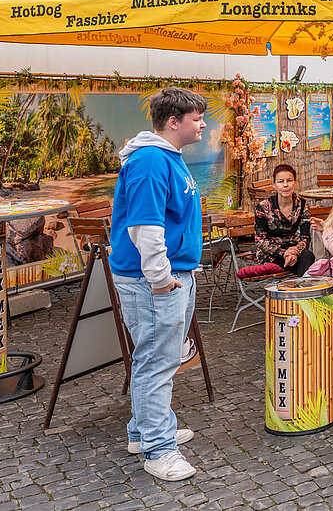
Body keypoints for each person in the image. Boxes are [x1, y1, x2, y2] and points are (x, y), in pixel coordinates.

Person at [109, 87, 208, 482]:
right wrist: (163, 279)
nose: (203, 124)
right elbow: (145, 227)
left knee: (158, 359)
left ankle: (144, 430)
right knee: (157, 363)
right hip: (152, 283)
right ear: (173, 122)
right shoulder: (151, 160)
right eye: (197, 118)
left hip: (167, 278)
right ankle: (158, 448)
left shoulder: (165, 157)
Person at [253, 163, 314, 275]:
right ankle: (291, 289)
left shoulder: (302, 205)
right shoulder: (263, 207)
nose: (285, 185)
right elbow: (260, 240)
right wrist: (284, 253)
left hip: (295, 250)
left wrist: (294, 252)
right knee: (287, 264)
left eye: (289, 180)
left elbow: (305, 237)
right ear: (274, 185)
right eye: (281, 181)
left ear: (295, 182)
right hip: (271, 253)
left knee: (308, 256)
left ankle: (303, 289)